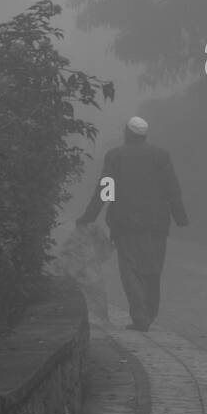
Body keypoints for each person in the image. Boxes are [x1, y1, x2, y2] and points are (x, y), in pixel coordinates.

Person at [76, 116, 189, 332]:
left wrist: (89, 217)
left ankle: (140, 316)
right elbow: (171, 189)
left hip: (124, 223)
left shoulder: (115, 156)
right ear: (144, 135)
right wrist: (180, 218)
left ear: (127, 134)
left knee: (130, 270)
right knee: (153, 268)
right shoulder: (161, 156)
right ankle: (149, 312)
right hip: (156, 224)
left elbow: (105, 190)